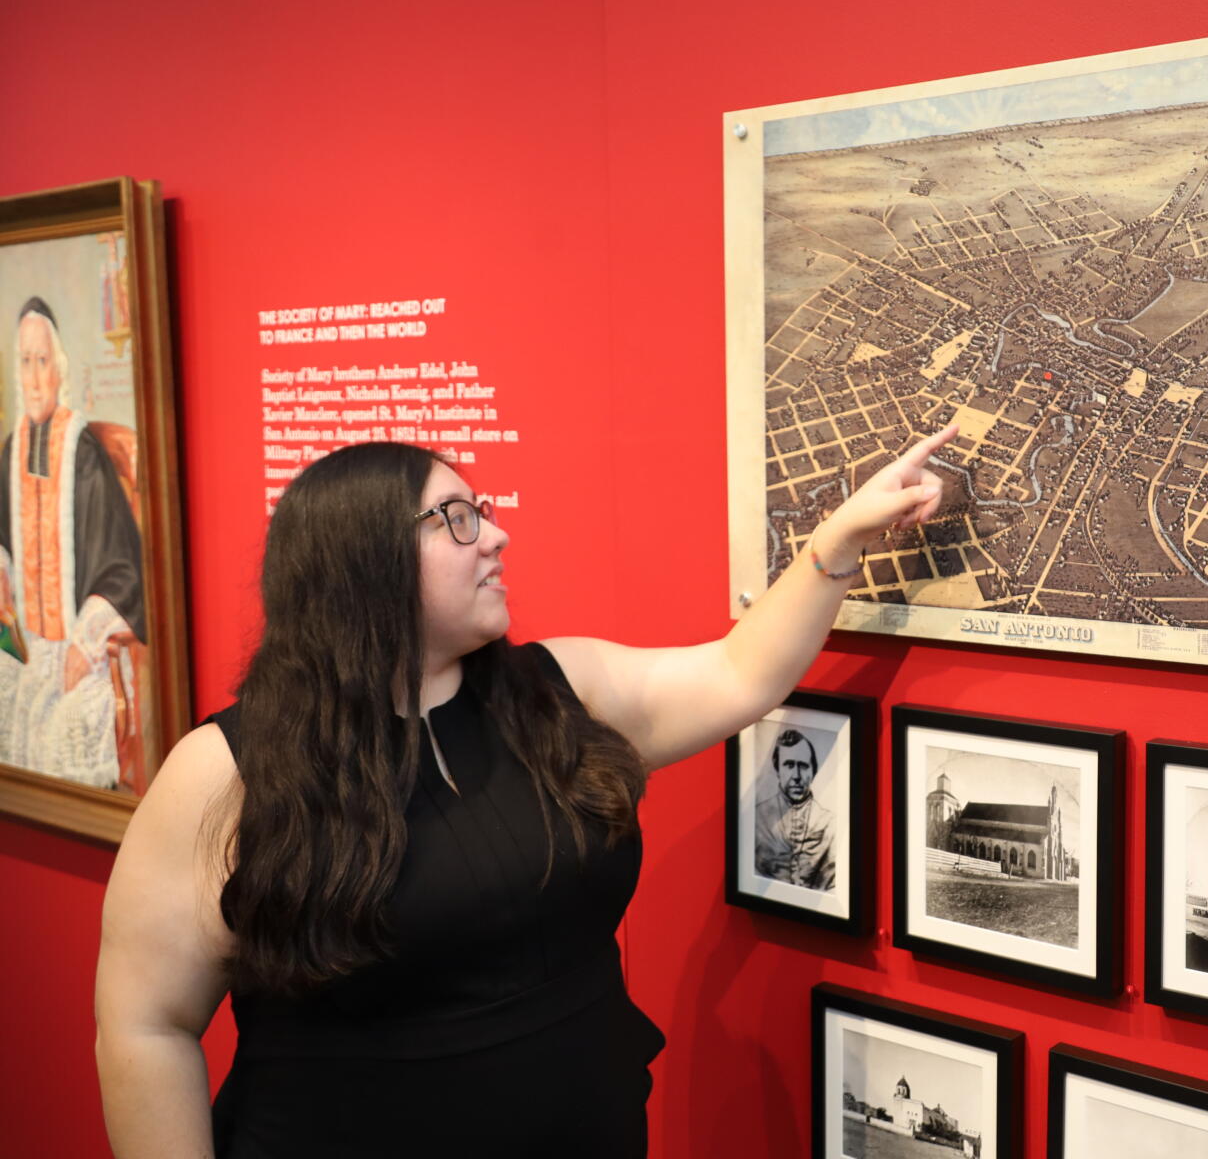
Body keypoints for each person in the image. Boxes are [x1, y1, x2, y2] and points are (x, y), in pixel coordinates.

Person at [94, 426, 953, 1157]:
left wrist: (835, 544)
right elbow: (146, 1026)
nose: (495, 538)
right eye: (456, 520)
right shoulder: (227, 772)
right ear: (363, 561)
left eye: (486, 514)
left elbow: (739, 674)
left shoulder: (556, 693)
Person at [0, 296, 146, 787]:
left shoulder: (82, 452)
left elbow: (122, 567)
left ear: (59, 370)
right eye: (25, 362)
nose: (35, 376)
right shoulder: (11, 448)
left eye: (43, 361)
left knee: (68, 725)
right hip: (22, 646)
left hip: (76, 649)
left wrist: (84, 646)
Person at [753, 727, 836, 889]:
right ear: (778, 769)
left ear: (813, 771)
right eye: (789, 765)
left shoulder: (830, 823)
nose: (797, 776)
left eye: (803, 766)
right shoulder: (757, 817)